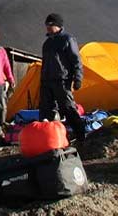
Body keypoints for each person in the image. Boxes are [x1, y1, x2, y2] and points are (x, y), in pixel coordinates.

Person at [39, 13, 85, 141]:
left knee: (68, 108)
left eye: (51, 24)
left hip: (62, 80)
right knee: (45, 110)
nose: (48, 27)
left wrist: (78, 78)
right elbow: (44, 63)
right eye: (47, 25)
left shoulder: (67, 39)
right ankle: (47, 139)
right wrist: (42, 79)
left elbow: (76, 60)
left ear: (58, 25)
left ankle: (81, 136)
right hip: (46, 81)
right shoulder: (47, 43)